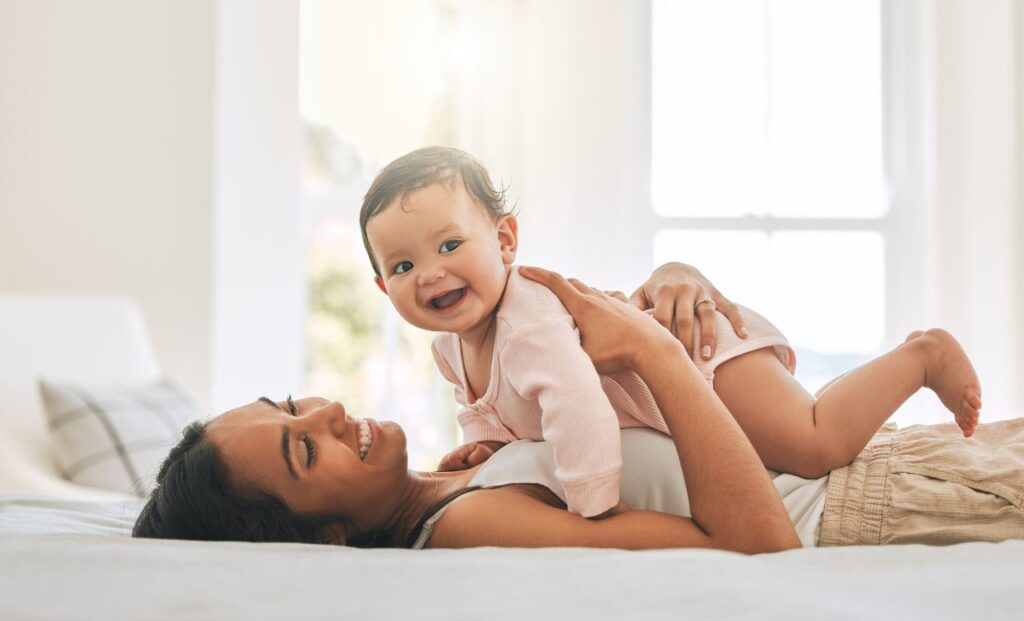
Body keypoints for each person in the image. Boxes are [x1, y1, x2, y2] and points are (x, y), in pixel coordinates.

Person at [132, 266, 1024, 550]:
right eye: (301, 449)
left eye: (292, 403)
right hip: (870, 509)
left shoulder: (453, 472)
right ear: (322, 542)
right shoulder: (470, 529)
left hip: (898, 459)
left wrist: (675, 293)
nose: (327, 413)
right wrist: (657, 351)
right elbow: (759, 547)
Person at [359, 146, 983, 518]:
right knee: (782, 464)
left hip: (699, 355)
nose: (431, 273)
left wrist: (594, 506)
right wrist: (489, 452)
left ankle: (921, 357)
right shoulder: (450, 350)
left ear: (504, 242)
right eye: (405, 265)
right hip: (677, 391)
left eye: (449, 244)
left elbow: (580, 413)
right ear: (386, 288)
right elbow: (497, 412)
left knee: (814, 442)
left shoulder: (527, 323)